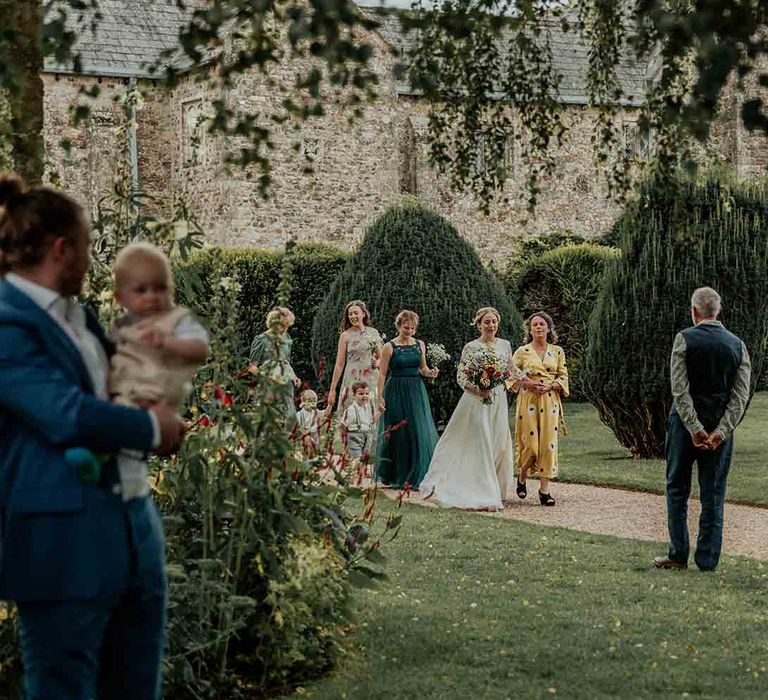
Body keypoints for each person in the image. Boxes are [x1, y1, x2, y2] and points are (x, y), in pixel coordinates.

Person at [0, 172, 185, 699]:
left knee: (135, 684)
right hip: (60, 543)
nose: (91, 261)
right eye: (86, 248)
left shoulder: (78, 315)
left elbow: (113, 388)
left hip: (131, 526)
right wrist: (154, 427)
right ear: (62, 249)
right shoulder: (6, 321)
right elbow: (65, 413)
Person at [67, 242, 210, 497]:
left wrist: (168, 342)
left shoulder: (178, 320)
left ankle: (99, 456)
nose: (152, 297)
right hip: (126, 389)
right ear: (121, 298)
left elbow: (199, 349)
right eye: (141, 290)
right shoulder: (123, 325)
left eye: (160, 288)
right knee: (114, 417)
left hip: (157, 390)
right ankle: (95, 457)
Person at [653, 287, 751, 571]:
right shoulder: (737, 345)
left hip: (684, 428)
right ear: (717, 311)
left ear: (694, 311)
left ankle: (677, 553)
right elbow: (740, 395)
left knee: (677, 489)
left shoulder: (684, 339)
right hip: (720, 426)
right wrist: (721, 431)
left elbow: (679, 390)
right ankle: (707, 559)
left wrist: (694, 427)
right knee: (713, 493)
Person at [420, 307, 523, 510]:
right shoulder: (471, 347)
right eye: (486, 322)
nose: (491, 325)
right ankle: (480, 488)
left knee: (499, 442)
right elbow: (461, 376)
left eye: (493, 321)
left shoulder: (505, 344)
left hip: (498, 399)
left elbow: (511, 369)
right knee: (482, 441)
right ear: (479, 325)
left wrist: (530, 380)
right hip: (476, 401)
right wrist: (477, 389)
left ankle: (497, 487)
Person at [509, 311, 569, 506]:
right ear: (530, 329)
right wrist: (529, 383)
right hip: (528, 400)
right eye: (535, 324)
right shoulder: (522, 352)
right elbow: (511, 375)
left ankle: (545, 491)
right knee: (530, 444)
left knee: (547, 445)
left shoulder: (558, 351)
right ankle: (522, 476)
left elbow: (563, 376)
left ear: (548, 327)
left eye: (542, 324)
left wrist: (551, 386)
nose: (539, 327)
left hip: (550, 400)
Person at [374, 310, 439, 489]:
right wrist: (379, 396)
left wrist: (430, 372)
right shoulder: (389, 347)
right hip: (395, 389)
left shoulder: (420, 344)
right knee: (398, 431)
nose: (409, 331)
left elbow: (422, 368)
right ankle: (394, 473)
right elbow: (382, 373)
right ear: (398, 326)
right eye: (406, 327)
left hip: (416, 390)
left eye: (412, 328)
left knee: (418, 429)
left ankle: (417, 473)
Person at [326, 299, 382, 413]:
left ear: (363, 314)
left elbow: (381, 357)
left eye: (356, 313)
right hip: (352, 378)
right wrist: (332, 390)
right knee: (350, 412)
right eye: (350, 314)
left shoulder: (373, 333)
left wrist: (378, 362)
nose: (353, 316)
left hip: (371, 379)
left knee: (372, 412)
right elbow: (339, 364)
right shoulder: (345, 336)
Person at [248, 306, 301, 423]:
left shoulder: (286, 337)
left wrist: (295, 377)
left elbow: (286, 362)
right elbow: (251, 366)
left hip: (286, 384)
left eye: (286, 327)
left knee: (289, 418)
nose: (284, 330)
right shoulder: (261, 340)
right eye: (281, 326)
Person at [339, 381, 380, 464]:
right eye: (361, 394)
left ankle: (362, 471)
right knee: (356, 456)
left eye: (366, 394)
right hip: (354, 435)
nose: (364, 396)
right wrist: (345, 437)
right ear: (354, 395)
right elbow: (342, 425)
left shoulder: (367, 408)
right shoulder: (351, 410)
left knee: (365, 456)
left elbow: (372, 420)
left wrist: (380, 411)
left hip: (367, 436)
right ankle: (354, 470)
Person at [295, 388, 328, 455]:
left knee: (319, 445)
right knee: (308, 442)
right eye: (310, 401)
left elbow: (325, 413)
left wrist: (330, 405)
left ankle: (317, 454)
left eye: (314, 401)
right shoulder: (300, 414)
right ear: (303, 401)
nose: (312, 403)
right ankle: (308, 455)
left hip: (315, 433)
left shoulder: (315, 412)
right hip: (305, 434)